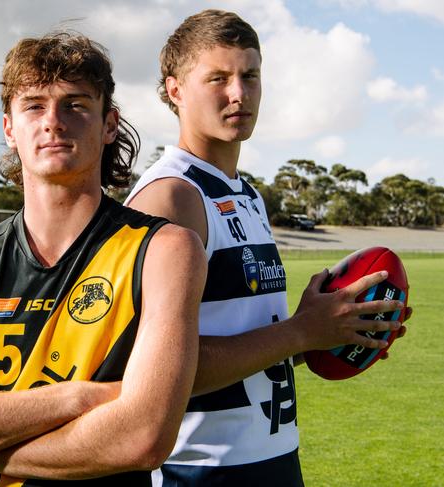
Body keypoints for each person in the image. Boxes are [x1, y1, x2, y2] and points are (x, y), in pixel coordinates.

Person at [0, 32, 207, 486]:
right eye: (34, 105)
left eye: (75, 104)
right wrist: (74, 399)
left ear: (109, 124)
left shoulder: (163, 250)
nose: (53, 121)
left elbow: (143, 438)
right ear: (9, 129)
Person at [125, 10, 406, 486]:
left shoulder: (246, 194)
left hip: (272, 459)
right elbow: (152, 374)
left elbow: (250, 341)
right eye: (218, 78)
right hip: (196, 469)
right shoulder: (171, 196)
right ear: (175, 91)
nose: (239, 93)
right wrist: (298, 333)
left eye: (249, 75)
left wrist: (332, 331)